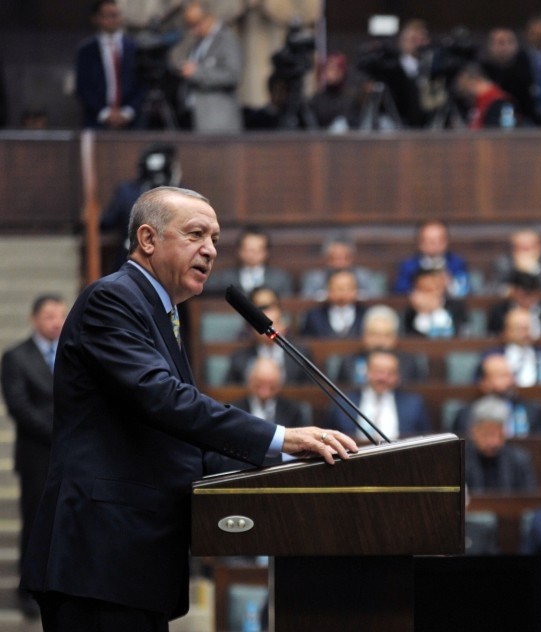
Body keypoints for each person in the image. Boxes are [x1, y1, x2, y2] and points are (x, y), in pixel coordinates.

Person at [20, 186, 356, 629]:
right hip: (100, 557)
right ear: (147, 239)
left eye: (215, 239)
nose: (210, 250)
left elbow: (179, 440)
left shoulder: (162, 313)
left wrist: (287, 458)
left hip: (132, 563)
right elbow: (164, 400)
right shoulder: (113, 300)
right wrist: (279, 437)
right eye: (196, 234)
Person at [1, 294, 67, 618]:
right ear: (34, 319)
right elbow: (20, 407)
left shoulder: (75, 352)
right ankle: (28, 589)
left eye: (61, 316)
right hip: (37, 452)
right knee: (36, 518)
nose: (56, 322)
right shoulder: (16, 357)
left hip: (72, 454)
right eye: (49, 316)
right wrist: (60, 432)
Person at [209, 357, 311, 472]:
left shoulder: (294, 411)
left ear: (279, 384)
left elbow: (300, 451)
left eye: (271, 385)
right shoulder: (233, 410)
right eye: (259, 384)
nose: (265, 392)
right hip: (242, 472)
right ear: (250, 381)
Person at [100, 143, 181, 273]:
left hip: (161, 262)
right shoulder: (181, 195)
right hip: (136, 262)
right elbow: (107, 222)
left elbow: (107, 221)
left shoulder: (126, 191)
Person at [324, 350, 430, 441]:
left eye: (389, 373)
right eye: (377, 371)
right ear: (366, 372)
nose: (382, 378)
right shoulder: (343, 402)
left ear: (397, 376)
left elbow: (425, 440)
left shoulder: (414, 404)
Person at [170, 0, 243, 133]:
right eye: (190, 26)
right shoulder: (197, 43)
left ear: (209, 17)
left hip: (218, 123)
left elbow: (233, 76)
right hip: (194, 118)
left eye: (196, 24)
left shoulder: (227, 40)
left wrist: (197, 72)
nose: (194, 30)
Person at [74, 0, 143, 130]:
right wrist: (105, 113)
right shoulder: (86, 51)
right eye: (108, 16)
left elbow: (143, 85)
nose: (114, 20)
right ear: (96, 19)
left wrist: (127, 113)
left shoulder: (135, 48)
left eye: (116, 15)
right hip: (96, 121)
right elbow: (83, 86)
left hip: (131, 123)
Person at [225, 286, 314, 385]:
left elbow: (309, 391)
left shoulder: (300, 355)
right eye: (263, 326)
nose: (270, 331)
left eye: (274, 323)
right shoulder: (239, 358)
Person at [451, 353, 541, 436]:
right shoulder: (466, 415)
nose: (510, 381)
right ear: (484, 383)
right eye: (502, 376)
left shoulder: (531, 411)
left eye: (511, 375)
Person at [335, 305, 428, 386]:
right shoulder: (348, 362)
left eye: (386, 335)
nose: (380, 341)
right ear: (364, 336)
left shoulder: (409, 363)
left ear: (395, 338)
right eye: (374, 334)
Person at [464, 395, 537, 492]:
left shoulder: (519, 461)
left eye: (498, 435)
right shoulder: (461, 462)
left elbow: (528, 500)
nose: (492, 442)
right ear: (473, 432)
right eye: (486, 434)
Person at [204, 225, 294, 297]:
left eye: (258, 250)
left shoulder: (280, 279)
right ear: (239, 251)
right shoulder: (222, 279)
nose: (253, 254)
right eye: (249, 249)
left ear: (266, 252)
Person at [481, 27, 541, 125]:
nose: (505, 47)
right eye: (500, 42)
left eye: (510, 42)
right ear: (490, 46)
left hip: (525, 122)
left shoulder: (527, 68)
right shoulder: (482, 72)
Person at [392, 220, 471, 297]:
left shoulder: (456, 263)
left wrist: (450, 284)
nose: (435, 245)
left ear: (446, 241)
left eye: (439, 240)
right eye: (429, 241)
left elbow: (467, 290)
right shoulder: (409, 265)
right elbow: (399, 291)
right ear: (420, 242)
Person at [484, 306, 541, 388]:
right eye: (521, 329)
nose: (527, 333)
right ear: (508, 331)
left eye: (529, 328)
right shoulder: (492, 355)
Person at [299, 233, 382, 300]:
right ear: (327, 258)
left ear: (351, 258)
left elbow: (375, 300)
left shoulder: (365, 276)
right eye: (334, 258)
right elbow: (306, 301)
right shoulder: (314, 279)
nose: (339, 264)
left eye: (344, 258)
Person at [487, 228, 541, 296]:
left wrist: (535, 270)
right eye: (522, 248)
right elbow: (490, 290)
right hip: (511, 310)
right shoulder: (504, 262)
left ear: (540, 247)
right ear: (513, 249)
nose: (526, 253)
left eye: (530, 248)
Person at [486, 270, 541, 339]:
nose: (527, 300)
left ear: (539, 294)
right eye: (522, 296)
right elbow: (493, 336)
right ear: (513, 292)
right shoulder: (499, 311)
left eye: (531, 296)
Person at [402, 267, 469, 338]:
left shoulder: (456, 306)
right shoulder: (411, 312)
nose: (429, 295)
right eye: (424, 290)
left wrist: (437, 310)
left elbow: (463, 334)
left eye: (433, 289)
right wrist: (423, 313)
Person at [299, 269, 367, 338]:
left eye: (348, 288)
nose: (343, 293)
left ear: (355, 290)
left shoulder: (366, 314)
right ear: (328, 290)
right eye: (338, 288)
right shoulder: (314, 316)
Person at [453, 63, 519, 130]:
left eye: (465, 88)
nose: (465, 95)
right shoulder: (478, 105)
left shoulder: (502, 103)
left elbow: (506, 133)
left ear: (474, 81)